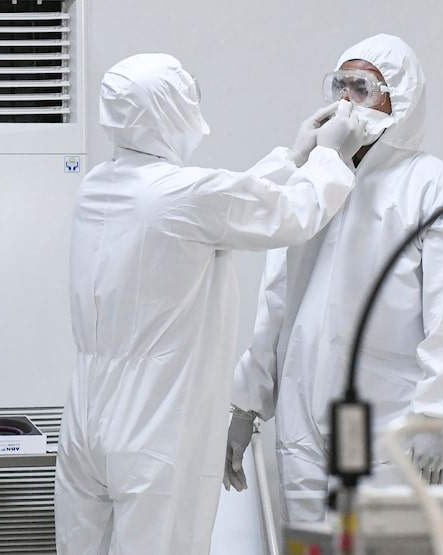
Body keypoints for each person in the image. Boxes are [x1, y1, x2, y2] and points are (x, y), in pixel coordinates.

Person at [54, 52, 366, 554]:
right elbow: (294, 214)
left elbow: (218, 206)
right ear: (169, 110)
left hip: (85, 425)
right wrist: (331, 156)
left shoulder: (99, 186)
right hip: (154, 427)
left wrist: (291, 157)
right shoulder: (185, 196)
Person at [224, 33, 443, 523]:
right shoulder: (316, 178)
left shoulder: (428, 181)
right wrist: (245, 404)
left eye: (363, 87)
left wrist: (436, 411)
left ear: (400, 99)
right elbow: (277, 298)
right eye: (340, 86)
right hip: (301, 410)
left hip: (388, 416)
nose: (346, 100)